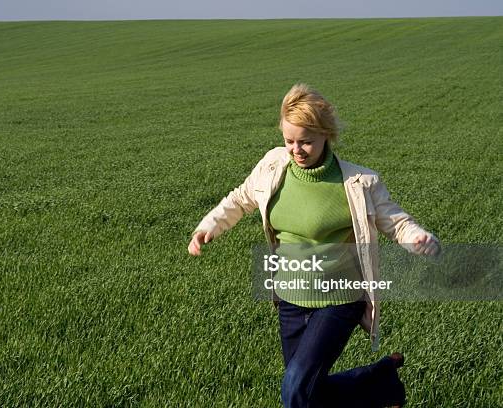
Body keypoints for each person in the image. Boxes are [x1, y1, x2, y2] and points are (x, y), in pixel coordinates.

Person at [187, 83, 440, 408]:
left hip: (339, 297)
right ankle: (381, 381)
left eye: (306, 141)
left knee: (295, 387)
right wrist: (208, 227)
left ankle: (380, 381)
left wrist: (418, 238)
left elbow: (395, 222)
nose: (296, 149)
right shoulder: (272, 168)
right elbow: (239, 199)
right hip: (290, 298)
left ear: (326, 135)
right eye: (289, 140)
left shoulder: (358, 183)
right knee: (305, 395)